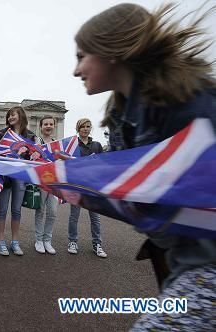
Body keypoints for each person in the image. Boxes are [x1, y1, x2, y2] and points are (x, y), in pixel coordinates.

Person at [73, 3, 216, 329]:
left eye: (82, 56)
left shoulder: (191, 100)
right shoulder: (122, 117)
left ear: (111, 51)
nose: (76, 70)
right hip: (182, 260)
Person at [0, 106, 36, 256]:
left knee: (16, 210)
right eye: (9, 116)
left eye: (13, 115)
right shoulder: (2, 134)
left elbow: (34, 157)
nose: (10, 118)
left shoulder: (30, 136)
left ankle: (15, 241)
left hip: (21, 176)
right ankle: (0, 241)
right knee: (2, 210)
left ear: (21, 116)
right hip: (5, 177)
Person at [67, 118, 107, 258]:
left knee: (95, 217)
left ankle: (97, 244)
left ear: (91, 128)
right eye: (83, 126)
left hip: (92, 185)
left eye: (88, 126)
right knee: (74, 216)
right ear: (78, 128)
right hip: (77, 185)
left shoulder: (97, 145)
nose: (85, 128)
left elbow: (103, 165)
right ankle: (72, 241)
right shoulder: (73, 146)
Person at [34, 116, 58, 254]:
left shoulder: (57, 143)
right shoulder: (37, 142)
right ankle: (38, 240)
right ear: (41, 126)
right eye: (45, 124)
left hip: (54, 182)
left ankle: (47, 240)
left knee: (53, 212)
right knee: (40, 210)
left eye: (51, 124)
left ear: (54, 126)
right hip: (41, 180)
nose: (48, 126)